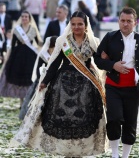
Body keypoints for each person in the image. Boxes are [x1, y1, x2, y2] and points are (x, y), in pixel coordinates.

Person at [10, 11, 107, 157]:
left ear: (86, 25)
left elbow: (99, 62)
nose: (76, 27)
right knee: (64, 118)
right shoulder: (63, 41)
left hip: (87, 84)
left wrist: (106, 60)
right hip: (63, 84)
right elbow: (55, 63)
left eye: (80, 24)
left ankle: (82, 149)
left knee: (86, 117)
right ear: (70, 24)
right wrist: (44, 81)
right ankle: (65, 149)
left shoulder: (94, 42)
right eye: (73, 24)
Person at [94, 7, 139, 158]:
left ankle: (125, 156)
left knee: (130, 122)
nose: (125, 24)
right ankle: (115, 154)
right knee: (114, 119)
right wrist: (113, 65)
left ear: (135, 23)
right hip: (113, 86)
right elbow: (97, 59)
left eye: (129, 21)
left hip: (133, 88)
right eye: (122, 21)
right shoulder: (110, 37)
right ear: (118, 21)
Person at [0, 11, 42, 106]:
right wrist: (10, 57)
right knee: (19, 77)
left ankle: (27, 100)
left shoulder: (33, 30)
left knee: (29, 78)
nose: (24, 18)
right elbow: (13, 43)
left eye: (26, 17)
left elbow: (37, 43)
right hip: (18, 56)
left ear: (29, 19)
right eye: (22, 17)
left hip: (30, 57)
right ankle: (21, 101)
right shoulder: (16, 30)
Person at [19, 36, 57, 120]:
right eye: (52, 48)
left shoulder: (58, 54)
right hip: (42, 80)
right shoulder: (43, 55)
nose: (54, 50)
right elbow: (38, 70)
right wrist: (42, 80)